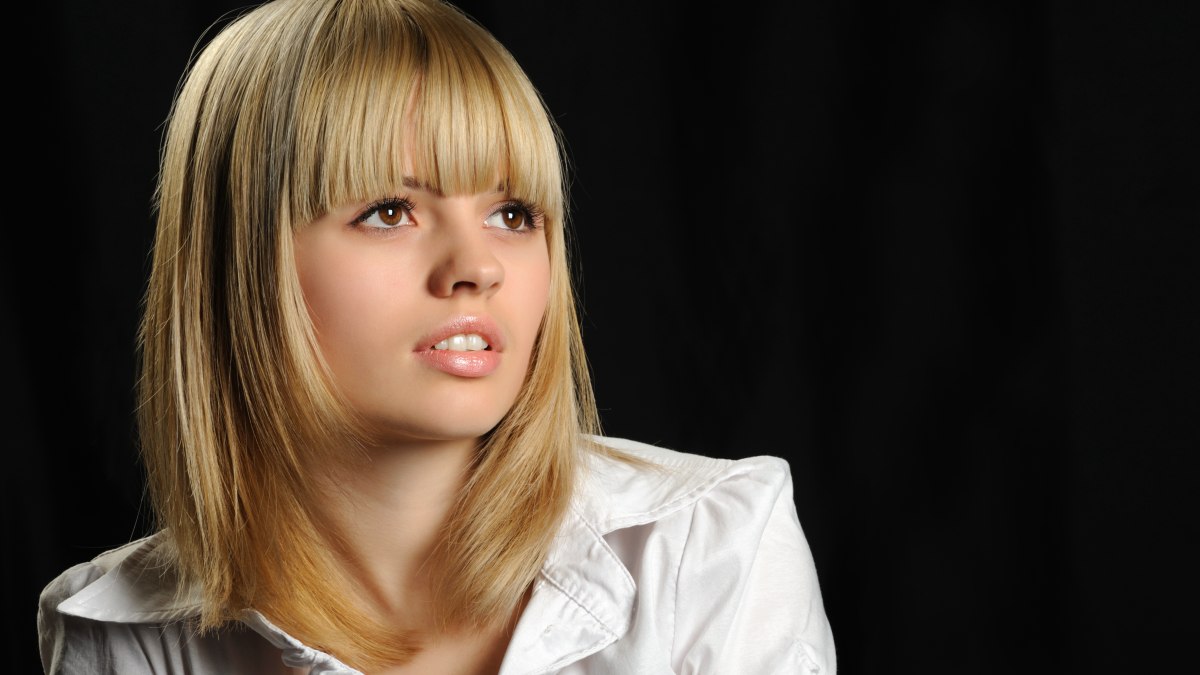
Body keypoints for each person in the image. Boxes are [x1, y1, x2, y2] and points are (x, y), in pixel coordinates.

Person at [36, 0, 835, 672]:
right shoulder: (118, 636)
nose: (477, 267)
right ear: (240, 259)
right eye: (390, 210)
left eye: (513, 213)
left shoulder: (712, 549)